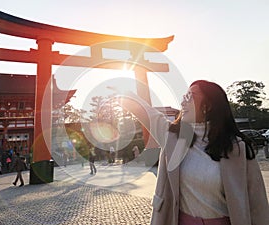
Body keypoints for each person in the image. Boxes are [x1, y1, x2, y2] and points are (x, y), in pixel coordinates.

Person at [115, 80, 269, 225]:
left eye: (189, 97)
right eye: (184, 96)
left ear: (208, 106)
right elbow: (147, 114)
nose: (183, 102)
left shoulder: (238, 148)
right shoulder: (173, 137)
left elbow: (258, 203)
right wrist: (123, 94)